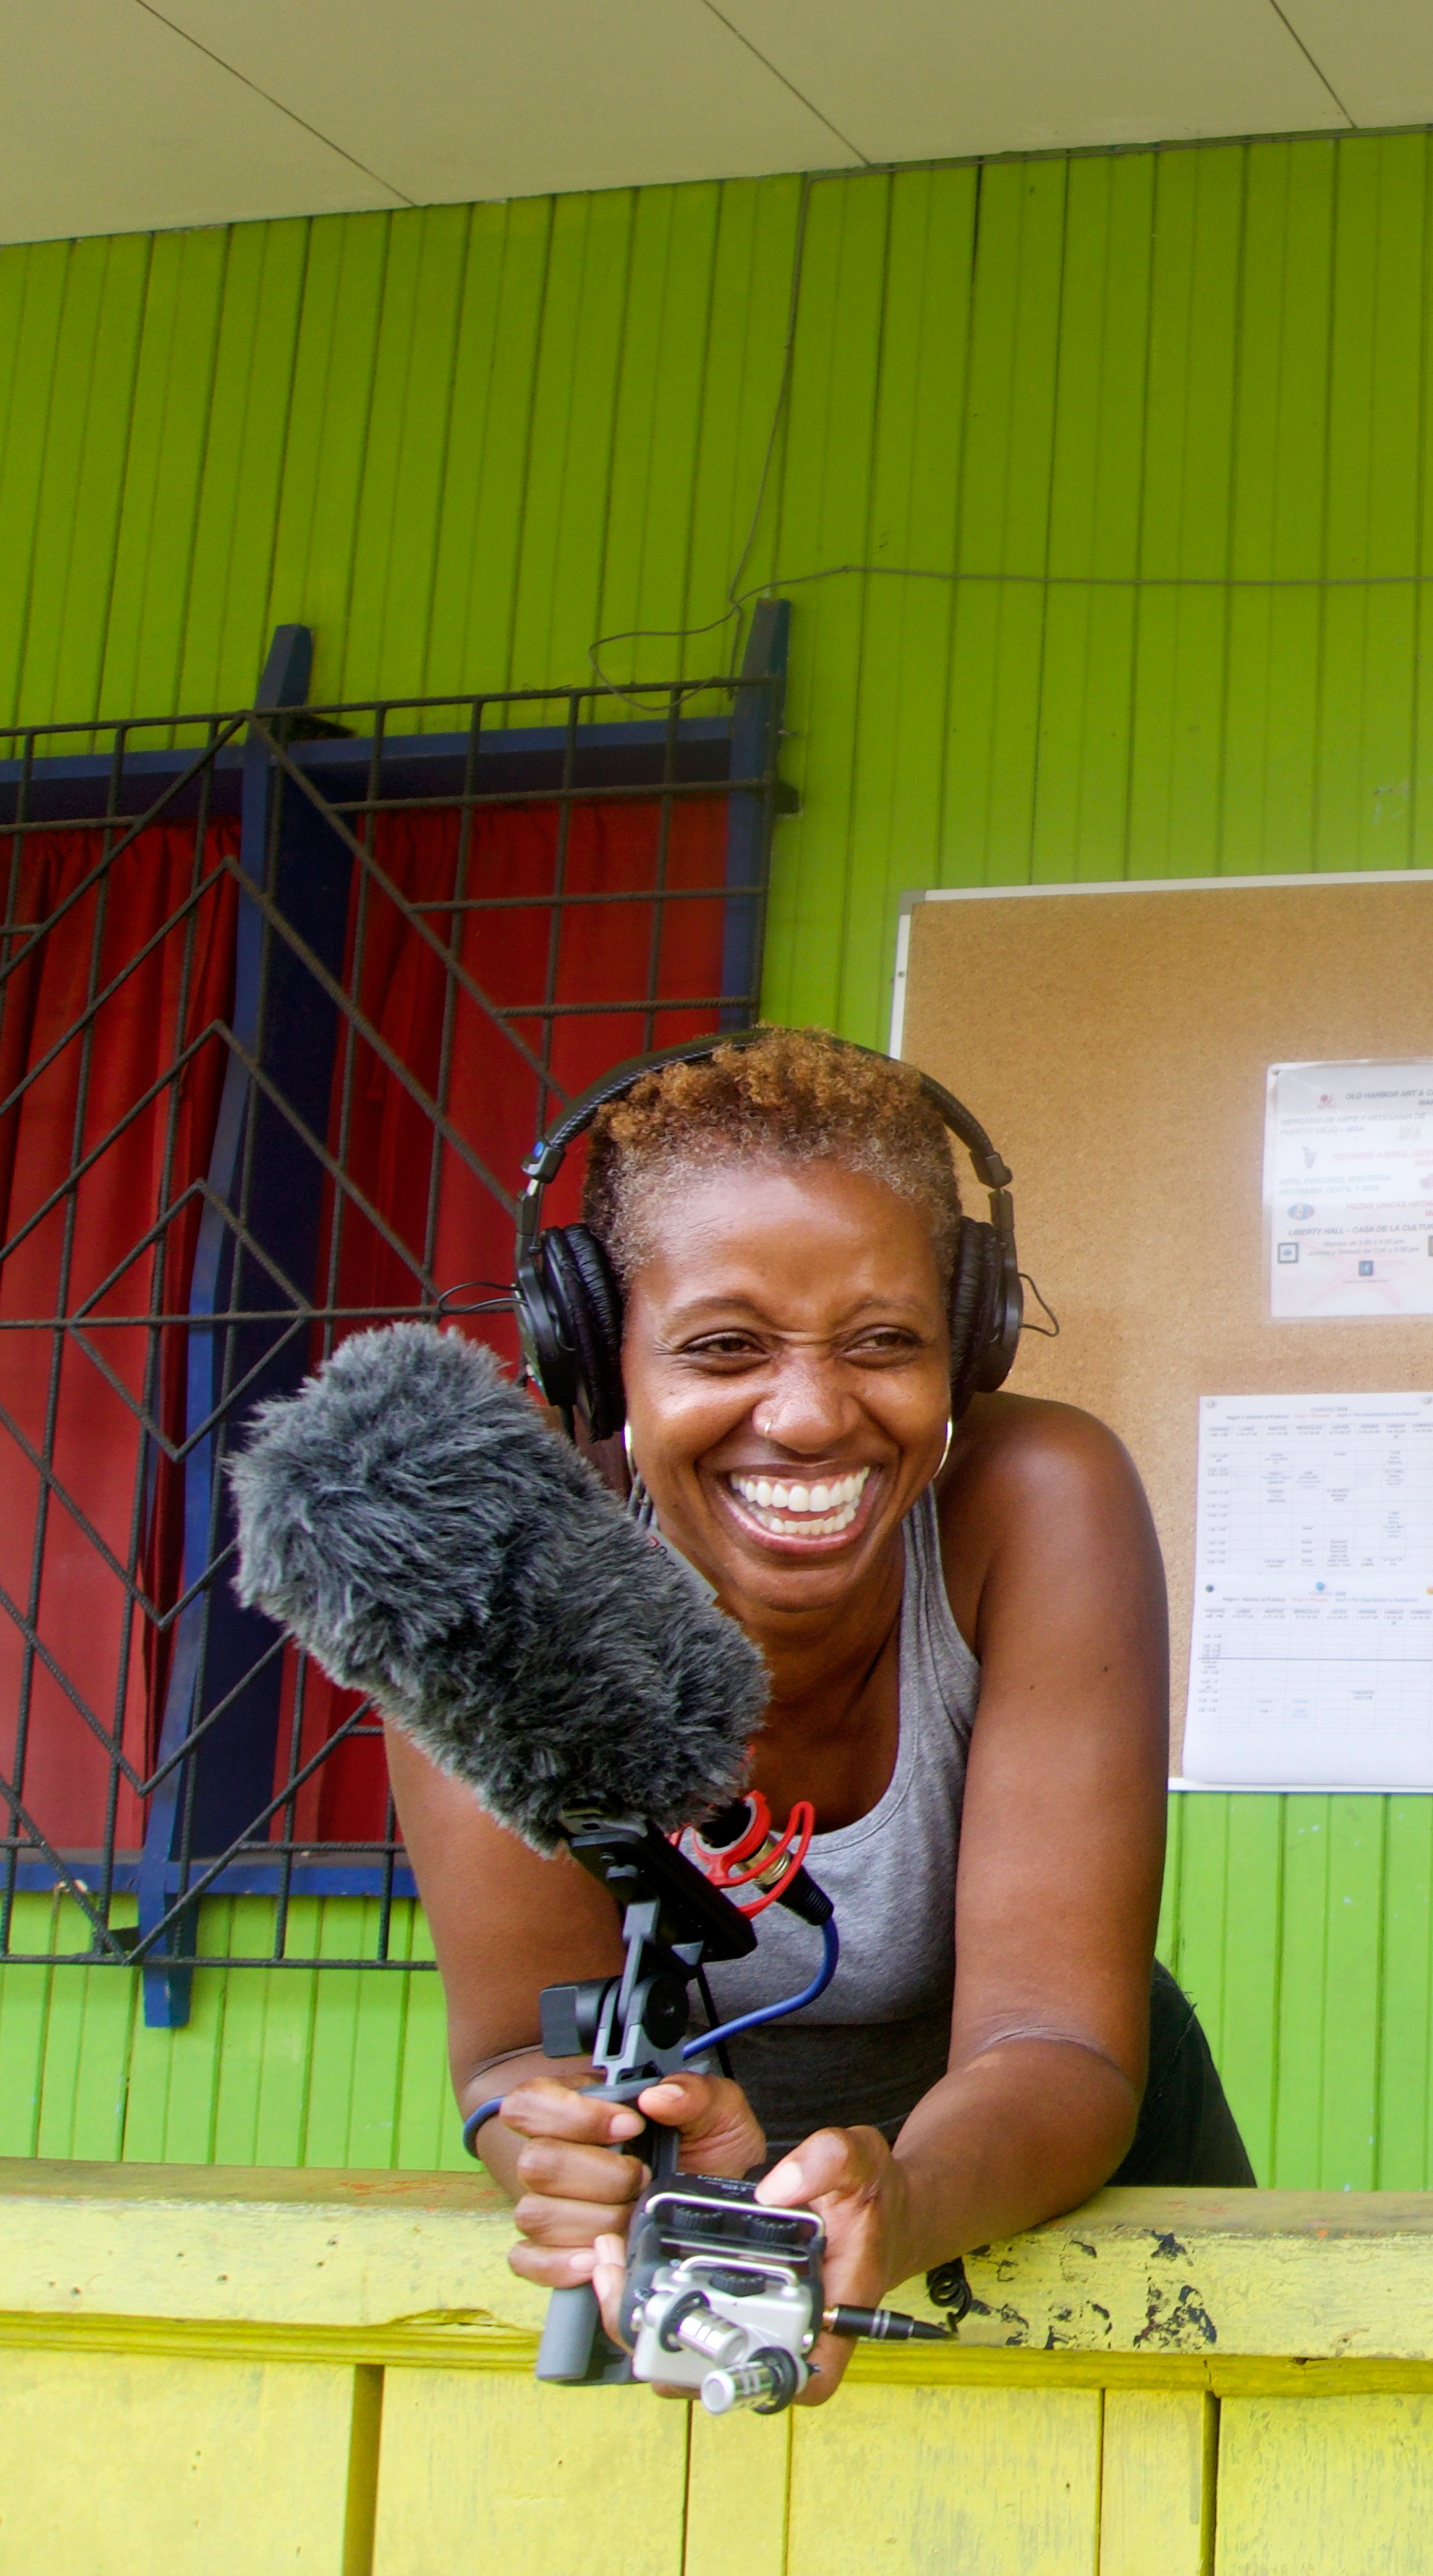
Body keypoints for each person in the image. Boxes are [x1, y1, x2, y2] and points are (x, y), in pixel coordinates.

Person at [404, 1028, 1251, 2407]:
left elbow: (1058, 2035)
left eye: (884, 1342)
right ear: (595, 1346)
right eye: (724, 1344)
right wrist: (563, 2154)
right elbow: (519, 2046)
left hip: (1046, 2180)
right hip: (706, 2231)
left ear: (966, 1341)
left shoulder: (1040, 1500)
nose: (807, 1416)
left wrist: (898, 2204)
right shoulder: (493, 1562)